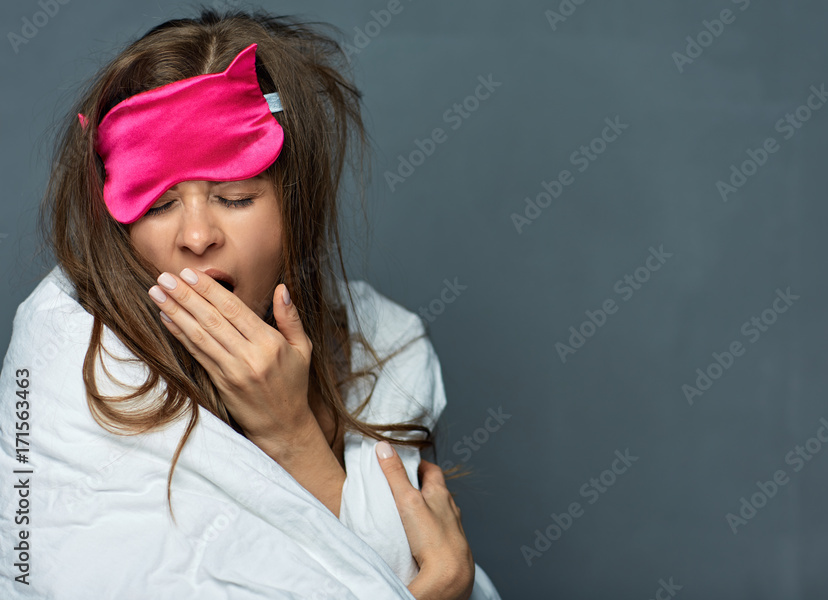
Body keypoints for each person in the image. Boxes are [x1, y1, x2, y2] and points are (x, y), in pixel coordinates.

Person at [0, 6, 500, 599]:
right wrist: (435, 589)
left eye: (235, 197)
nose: (196, 236)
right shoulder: (65, 362)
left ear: (296, 206)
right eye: (158, 204)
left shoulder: (384, 344)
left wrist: (289, 431)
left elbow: (392, 565)